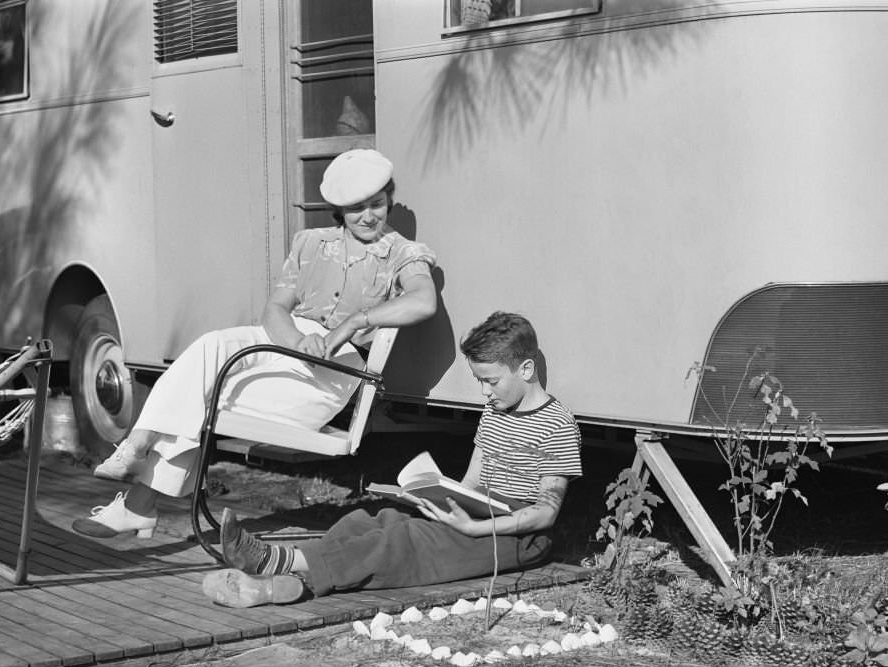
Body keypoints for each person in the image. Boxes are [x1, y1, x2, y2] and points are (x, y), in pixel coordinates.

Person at [72, 149, 438, 538]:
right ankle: (137, 449)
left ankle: (138, 501)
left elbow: (423, 300)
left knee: (197, 396)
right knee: (211, 347)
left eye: (376, 204)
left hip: (335, 367)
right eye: (355, 208)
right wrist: (297, 340)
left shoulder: (403, 253)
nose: (368, 216)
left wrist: (355, 322)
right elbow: (275, 309)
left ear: (389, 200)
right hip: (283, 339)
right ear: (339, 211)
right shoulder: (311, 243)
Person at [200, 311, 582, 608]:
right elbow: (471, 482)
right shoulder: (495, 412)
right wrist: (436, 497)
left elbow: (545, 514)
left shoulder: (557, 425)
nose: (484, 392)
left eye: (491, 381)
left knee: (402, 542)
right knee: (373, 520)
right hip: (479, 511)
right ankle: (289, 580)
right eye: (480, 381)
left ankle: (273, 564)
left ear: (525, 369)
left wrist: (473, 528)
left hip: (517, 535)